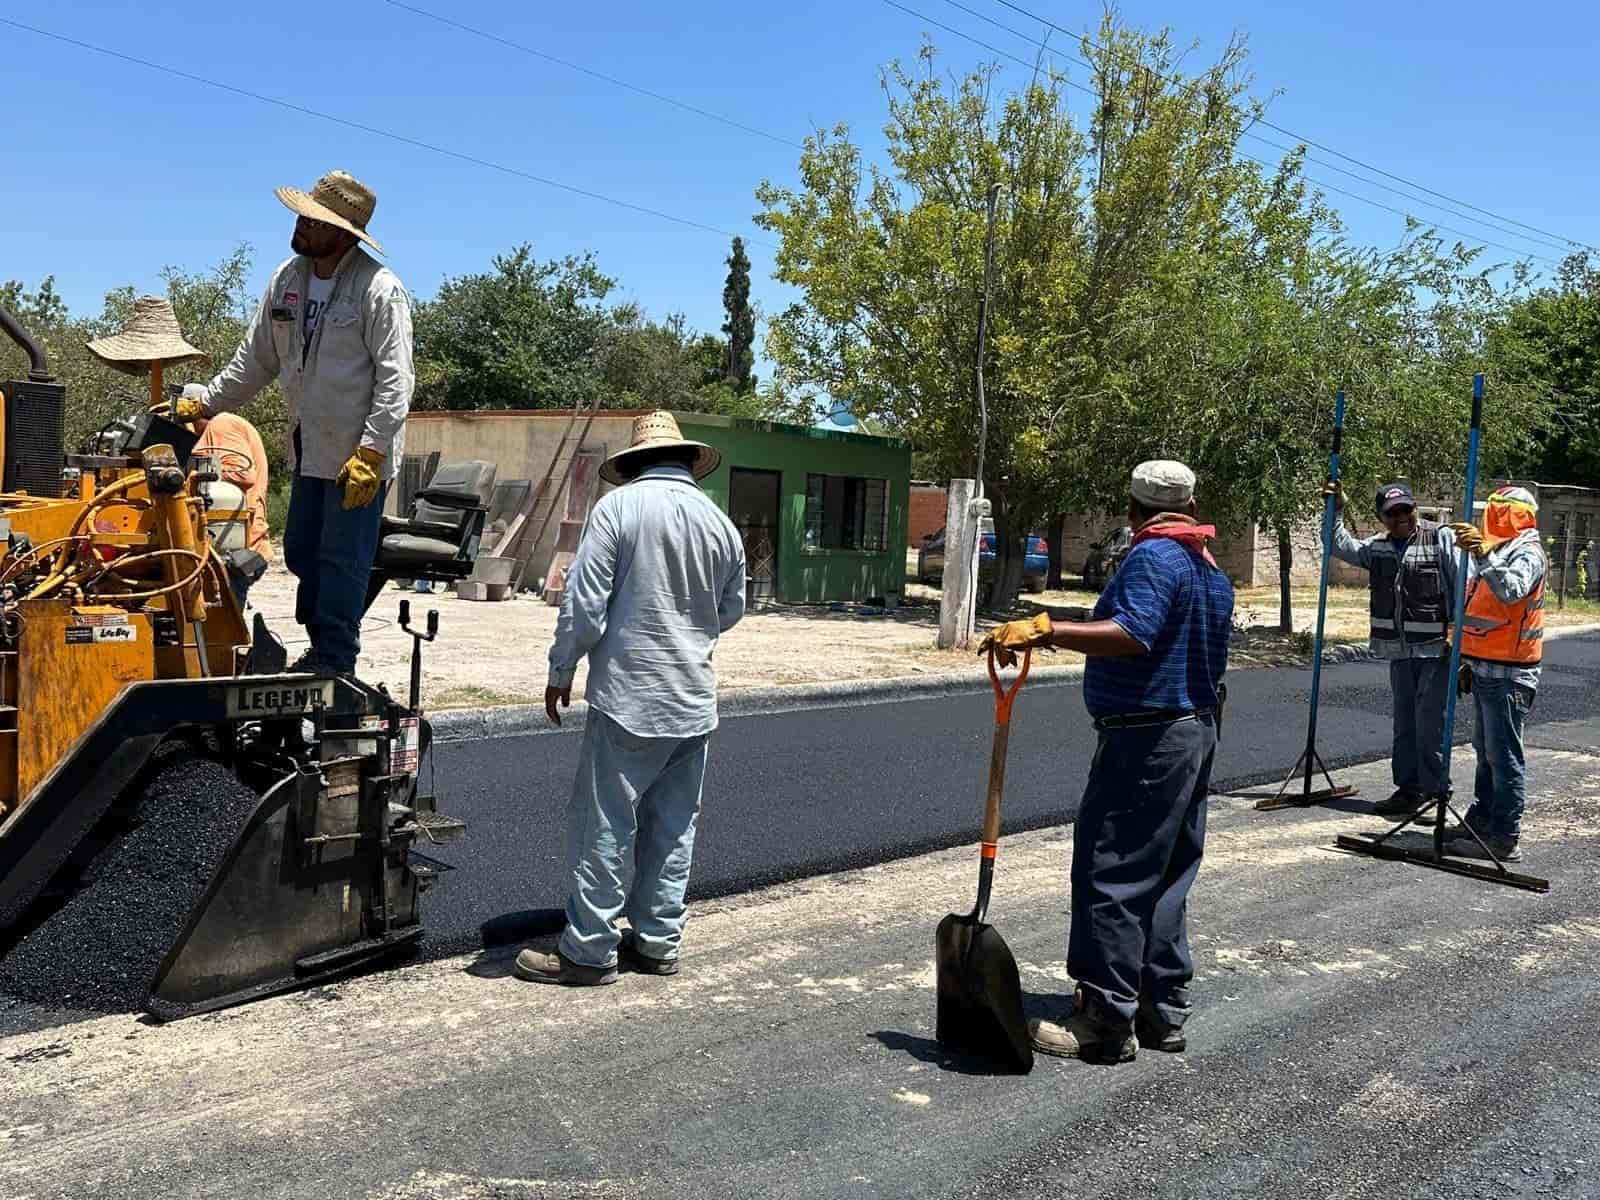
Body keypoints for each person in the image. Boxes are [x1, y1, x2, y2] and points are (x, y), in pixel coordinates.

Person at [980, 461, 1233, 1063]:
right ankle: (1161, 1010)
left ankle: (1102, 1019)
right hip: (1195, 729)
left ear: (1133, 509)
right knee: (1169, 872)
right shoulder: (1206, 565)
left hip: (1148, 737)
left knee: (1112, 870)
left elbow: (1133, 632)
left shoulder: (1155, 557)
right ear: (1190, 504)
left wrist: (1047, 630)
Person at [515, 412, 747, 987]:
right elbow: (730, 611)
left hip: (629, 699)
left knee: (605, 826)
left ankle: (590, 951)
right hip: (693, 702)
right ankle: (658, 941)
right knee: (673, 827)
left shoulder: (616, 511)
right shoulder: (721, 525)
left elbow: (585, 603)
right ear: (688, 461)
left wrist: (561, 667)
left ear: (633, 463)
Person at [159, 169, 413, 675]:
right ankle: (322, 644)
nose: (300, 225)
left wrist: (371, 452)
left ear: (341, 233)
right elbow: (254, 361)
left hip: (356, 460)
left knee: (341, 560)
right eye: (303, 214)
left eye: (313, 220)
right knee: (301, 552)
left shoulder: (379, 290)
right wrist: (204, 402)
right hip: (308, 449)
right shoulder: (287, 279)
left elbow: (397, 380)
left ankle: (335, 659)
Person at [1327, 481, 1459, 816]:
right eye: (1392, 512)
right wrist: (1335, 509)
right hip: (1399, 652)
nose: (1401, 517)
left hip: (1435, 651)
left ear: (1415, 509)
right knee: (1405, 725)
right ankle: (1408, 790)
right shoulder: (1379, 546)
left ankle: (1435, 793)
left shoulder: (1440, 538)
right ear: (1382, 517)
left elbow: (1463, 586)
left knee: (1430, 725)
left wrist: (1458, 635)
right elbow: (1337, 544)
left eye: (1406, 509)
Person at [1444, 487, 1546, 863]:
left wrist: (1484, 554)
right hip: (1487, 669)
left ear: (1508, 515)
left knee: (1503, 757)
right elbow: (1480, 610)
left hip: (1510, 676)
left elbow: (1510, 592)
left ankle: (1504, 835)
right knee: (1486, 753)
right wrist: (1467, 658)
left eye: (1494, 512)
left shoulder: (1526, 553)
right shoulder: (1502, 550)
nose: (1488, 518)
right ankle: (1482, 819)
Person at [192, 411, 272, 606]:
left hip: (237, 552)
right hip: (240, 551)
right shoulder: (225, 427)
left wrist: (191, 474)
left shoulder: (222, 424)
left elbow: (242, 475)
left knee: (218, 631)